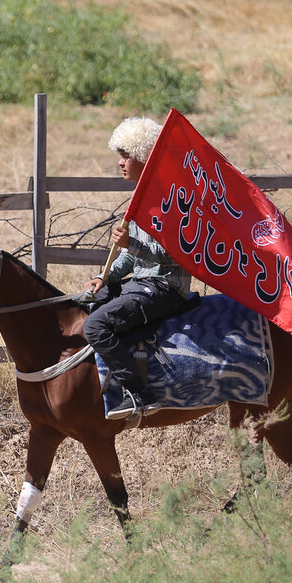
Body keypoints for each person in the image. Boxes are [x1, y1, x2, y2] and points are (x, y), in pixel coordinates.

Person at [82, 116, 192, 420]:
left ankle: (140, 395)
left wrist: (132, 244)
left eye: (126, 155)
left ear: (145, 156)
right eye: (119, 155)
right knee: (84, 303)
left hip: (167, 288)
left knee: (95, 326)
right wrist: (103, 278)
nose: (120, 163)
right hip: (142, 283)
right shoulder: (139, 199)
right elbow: (130, 260)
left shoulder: (171, 201)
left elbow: (177, 256)